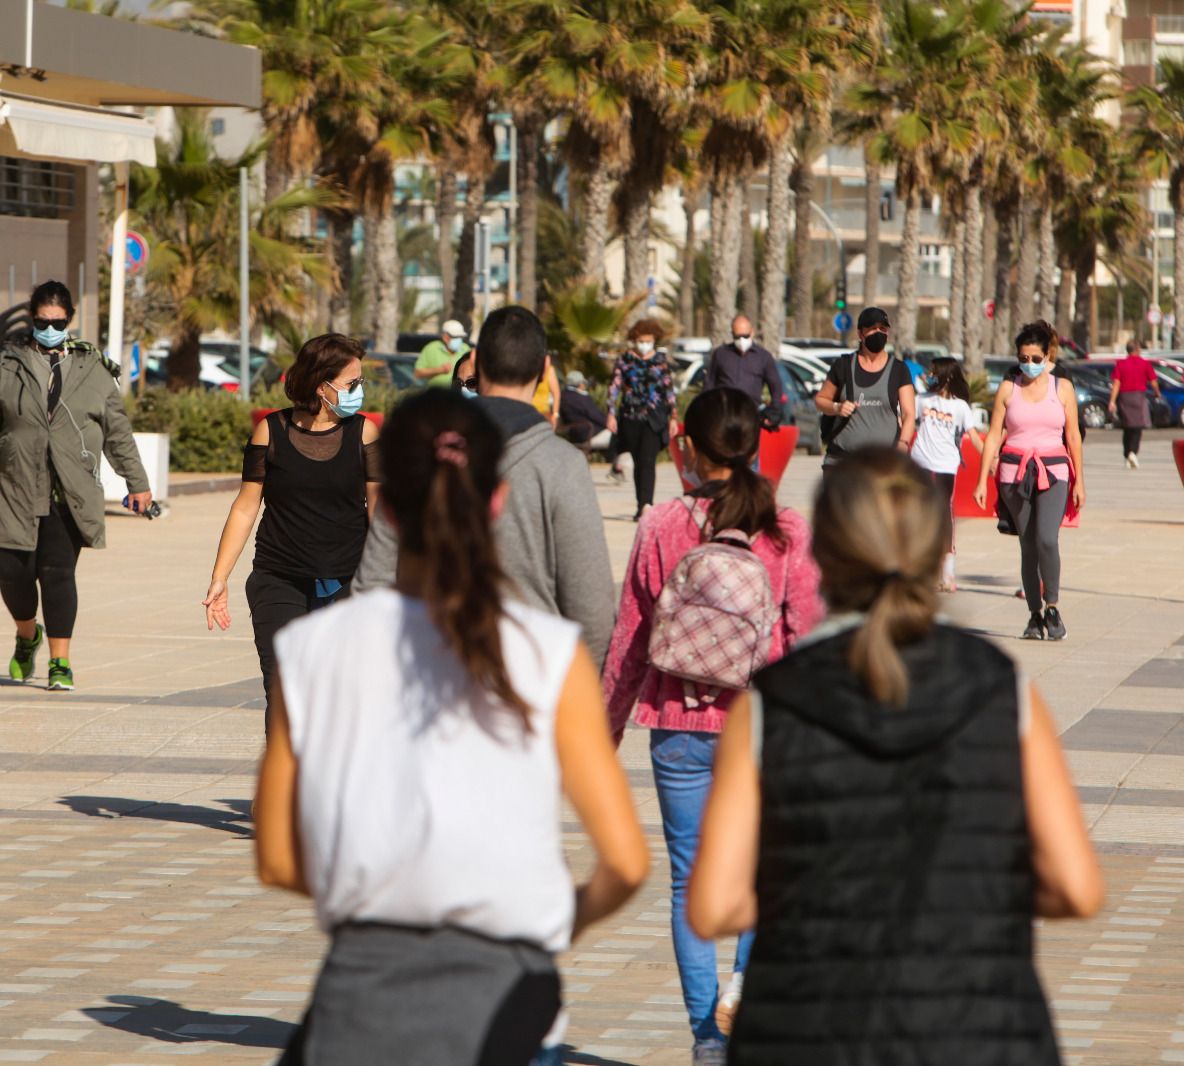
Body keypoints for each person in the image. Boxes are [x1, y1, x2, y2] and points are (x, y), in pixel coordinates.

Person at [255, 389, 649, 1065]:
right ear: (496, 501)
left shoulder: (312, 652)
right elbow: (626, 863)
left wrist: (380, 891)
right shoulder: (549, 654)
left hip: (360, 1004)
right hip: (510, 1007)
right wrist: (541, 924)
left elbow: (279, 858)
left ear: (388, 508)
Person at [688, 448, 1104, 1065]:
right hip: (980, 1028)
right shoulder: (1003, 692)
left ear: (823, 553)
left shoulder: (772, 704)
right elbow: (1077, 887)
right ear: (936, 544)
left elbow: (715, 904)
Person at [602, 388, 822, 1066]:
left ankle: (707, 1039)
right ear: (757, 445)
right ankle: (745, 990)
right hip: (760, 728)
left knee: (690, 884)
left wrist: (602, 736)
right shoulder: (786, 528)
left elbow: (631, 642)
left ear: (687, 447)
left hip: (677, 728)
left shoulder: (661, 525)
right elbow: (808, 635)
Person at [353, 306, 616, 666]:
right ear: (544, 370)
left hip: (422, 670)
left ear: (476, 360)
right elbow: (592, 608)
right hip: (530, 677)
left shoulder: (418, 451)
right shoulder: (563, 465)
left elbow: (373, 582)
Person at [0, 281, 152, 692]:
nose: (50, 328)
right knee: (13, 575)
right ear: (33, 320)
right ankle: (27, 633)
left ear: (70, 321)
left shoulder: (94, 369)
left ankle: (60, 662)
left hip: (70, 490)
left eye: (58, 322)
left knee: (57, 574)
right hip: (16, 484)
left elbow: (116, 431)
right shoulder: (8, 363)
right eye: (42, 321)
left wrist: (137, 482)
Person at [204, 333, 382, 711]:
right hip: (279, 578)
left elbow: (379, 511)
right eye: (353, 383)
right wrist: (220, 578)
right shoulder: (271, 431)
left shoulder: (363, 433)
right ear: (322, 386)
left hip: (349, 582)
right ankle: (288, 771)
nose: (359, 391)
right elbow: (245, 507)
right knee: (285, 695)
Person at [974, 320, 1085, 642]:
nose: (1030, 364)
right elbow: (994, 435)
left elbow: (1074, 436)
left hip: (1054, 471)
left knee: (1047, 539)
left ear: (1047, 356)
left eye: (1036, 359)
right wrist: (982, 479)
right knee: (1028, 544)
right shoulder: (1009, 389)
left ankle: (1053, 606)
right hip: (1014, 473)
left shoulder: (1061, 388)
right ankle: (1034, 615)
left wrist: (1080, 481)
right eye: (1024, 358)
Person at [909, 358, 984, 593]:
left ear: (946, 376)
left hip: (946, 465)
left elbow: (973, 435)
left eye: (933, 372)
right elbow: (906, 423)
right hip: (919, 460)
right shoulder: (920, 400)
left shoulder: (960, 407)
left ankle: (947, 573)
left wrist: (991, 459)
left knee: (943, 515)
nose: (929, 376)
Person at [813, 306, 916, 465]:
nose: (878, 333)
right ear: (860, 334)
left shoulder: (899, 369)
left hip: (883, 464)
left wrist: (903, 445)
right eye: (872, 329)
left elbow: (908, 414)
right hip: (842, 462)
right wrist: (837, 407)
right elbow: (820, 400)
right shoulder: (843, 366)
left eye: (882, 329)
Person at [607, 318, 680, 517]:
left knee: (648, 460)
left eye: (648, 340)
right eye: (641, 340)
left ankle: (646, 504)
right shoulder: (625, 360)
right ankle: (641, 503)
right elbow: (614, 387)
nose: (644, 344)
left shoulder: (661, 361)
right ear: (634, 339)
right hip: (631, 416)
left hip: (654, 418)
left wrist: (673, 416)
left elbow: (669, 390)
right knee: (638, 461)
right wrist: (611, 414)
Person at [703, 315, 785, 421]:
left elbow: (775, 386)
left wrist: (773, 412)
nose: (741, 340)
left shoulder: (763, 357)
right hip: (723, 414)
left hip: (751, 414)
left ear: (752, 332)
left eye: (745, 336)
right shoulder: (721, 354)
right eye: (737, 337)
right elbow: (709, 383)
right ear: (732, 334)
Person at [1110, 338, 1160, 468]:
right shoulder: (1145, 364)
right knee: (1137, 427)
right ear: (1137, 350)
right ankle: (1133, 452)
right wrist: (1157, 393)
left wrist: (1112, 401)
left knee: (1127, 427)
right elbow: (1153, 382)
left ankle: (1127, 454)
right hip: (1138, 397)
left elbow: (1116, 383)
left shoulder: (1120, 364)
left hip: (1124, 398)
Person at [559, 369, 611, 450]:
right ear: (580, 384)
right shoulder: (580, 397)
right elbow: (595, 415)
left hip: (576, 434)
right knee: (620, 437)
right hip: (588, 434)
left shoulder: (564, 395)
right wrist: (609, 423)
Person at [414, 319, 468, 387]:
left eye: (460, 337)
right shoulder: (431, 349)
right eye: (455, 337)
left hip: (459, 396)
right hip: (435, 396)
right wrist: (440, 370)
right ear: (445, 337)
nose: (459, 340)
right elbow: (418, 373)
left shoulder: (466, 349)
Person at [533, 354, 562, 427]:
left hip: (543, 414)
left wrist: (555, 415)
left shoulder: (549, 370)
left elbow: (556, 393)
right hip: (525, 412)